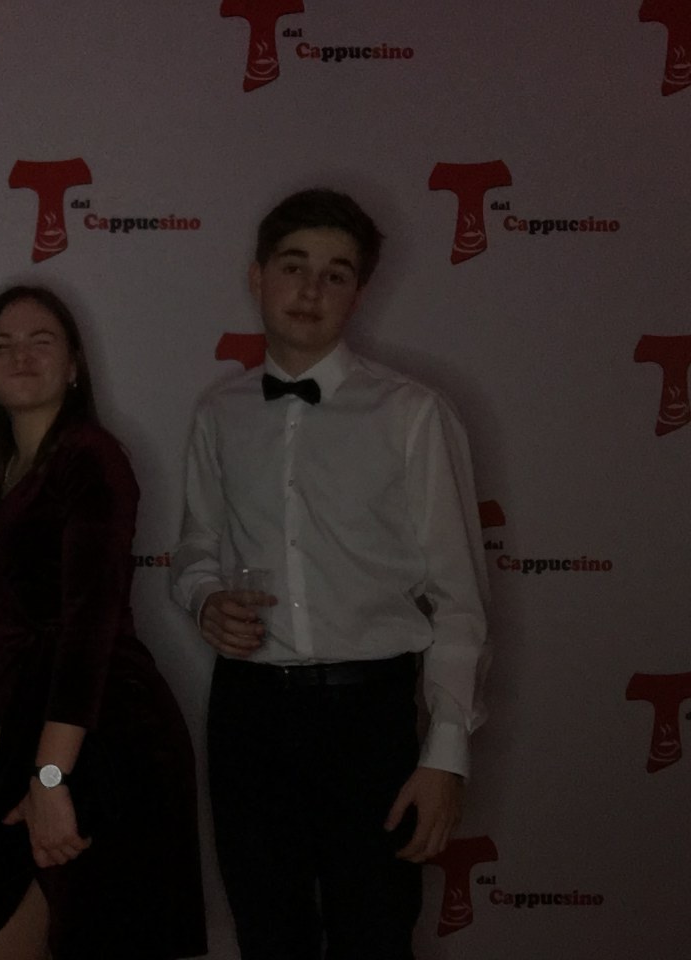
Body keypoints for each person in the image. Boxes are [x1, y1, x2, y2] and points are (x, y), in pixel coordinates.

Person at [171, 188, 490, 959]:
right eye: (294, 266)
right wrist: (205, 600)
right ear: (257, 277)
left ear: (359, 291)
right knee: (267, 936)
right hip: (247, 715)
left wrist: (445, 754)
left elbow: (459, 600)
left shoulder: (412, 414)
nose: (311, 289)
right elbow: (193, 554)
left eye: (336, 274)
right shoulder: (218, 413)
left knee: (375, 937)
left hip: (369, 721)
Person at [0, 285, 207, 960]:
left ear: (73, 367)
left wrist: (49, 778)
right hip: (33, 733)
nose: (21, 355)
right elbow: (6, 625)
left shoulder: (91, 456)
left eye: (41, 341)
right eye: (2, 345)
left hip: (105, 734)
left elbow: (88, 628)